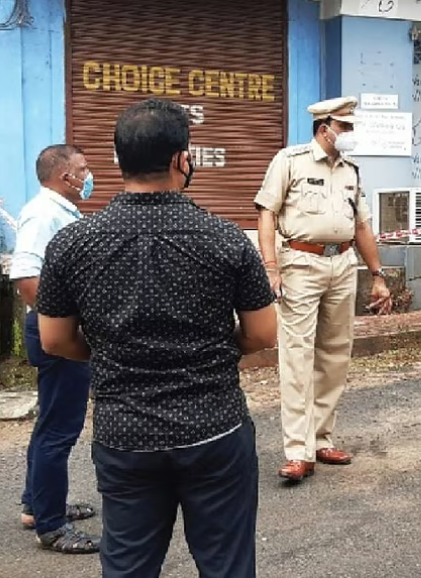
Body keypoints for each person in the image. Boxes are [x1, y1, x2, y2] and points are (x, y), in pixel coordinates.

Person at [35, 97, 278, 578]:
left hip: (125, 433)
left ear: (117, 160)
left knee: (127, 565)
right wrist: (211, 352)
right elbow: (262, 334)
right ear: (180, 160)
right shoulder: (226, 238)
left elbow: (55, 341)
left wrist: (109, 352)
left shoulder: (72, 244)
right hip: (214, 425)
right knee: (227, 564)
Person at [254, 96, 393, 482]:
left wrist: (377, 275)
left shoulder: (351, 170)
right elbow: (266, 213)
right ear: (325, 127)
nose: (350, 135)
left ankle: (320, 438)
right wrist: (270, 267)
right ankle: (298, 451)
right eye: (345, 127)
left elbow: (361, 225)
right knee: (297, 355)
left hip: (342, 264)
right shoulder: (290, 161)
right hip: (300, 263)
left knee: (334, 354)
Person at [10, 144, 100, 553]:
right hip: (56, 334)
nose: (88, 174)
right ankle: (51, 524)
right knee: (60, 429)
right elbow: (26, 275)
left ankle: (38, 504)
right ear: (64, 175)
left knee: (52, 421)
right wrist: (59, 325)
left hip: (57, 330)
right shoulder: (44, 213)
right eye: (82, 168)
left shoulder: (60, 210)